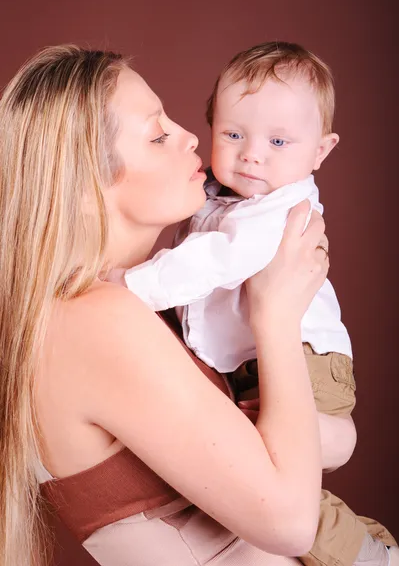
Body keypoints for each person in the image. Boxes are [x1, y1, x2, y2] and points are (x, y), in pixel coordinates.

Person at [0, 44, 356, 566]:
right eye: (159, 134)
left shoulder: (122, 307)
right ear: (86, 179)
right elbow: (291, 523)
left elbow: (314, 444)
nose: (193, 135)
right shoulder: (97, 317)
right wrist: (276, 316)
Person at [123, 42, 397, 566]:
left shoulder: (278, 211)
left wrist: (131, 284)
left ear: (320, 150)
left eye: (278, 140)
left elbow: (213, 263)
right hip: (255, 360)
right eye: (232, 134)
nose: (252, 153)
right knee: (265, 484)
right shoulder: (222, 195)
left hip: (308, 360)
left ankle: (367, 556)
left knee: (272, 487)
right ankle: (360, 540)